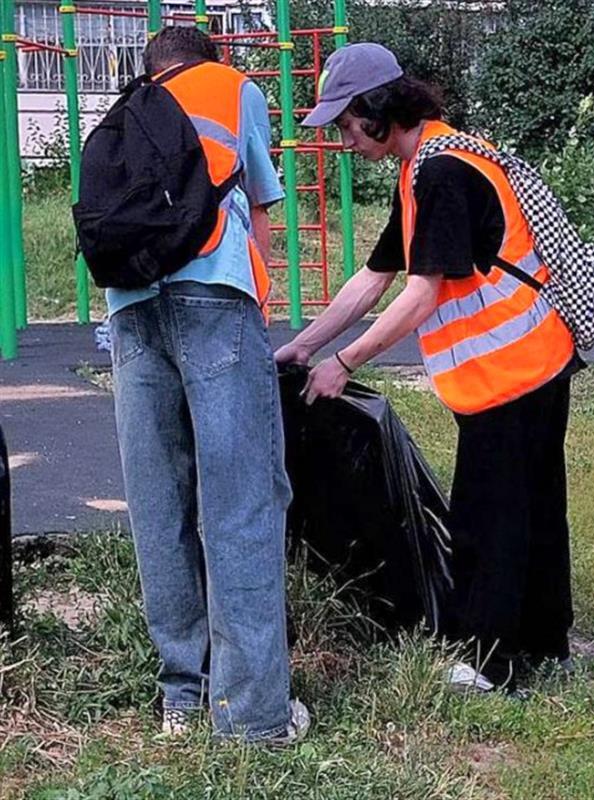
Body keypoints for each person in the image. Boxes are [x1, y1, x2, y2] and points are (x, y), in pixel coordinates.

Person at [275, 43, 581, 692]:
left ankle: (492, 664)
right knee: (532, 507)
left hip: (513, 368)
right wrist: (302, 346)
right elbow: (373, 278)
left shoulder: (442, 175)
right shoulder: (426, 167)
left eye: (346, 124)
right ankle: (545, 642)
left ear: (379, 112)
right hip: (533, 359)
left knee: (487, 516)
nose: (344, 139)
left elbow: (420, 293)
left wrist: (344, 361)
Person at [107, 27, 307, 742]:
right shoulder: (234, 90)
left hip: (130, 312)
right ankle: (252, 717)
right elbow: (256, 206)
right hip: (214, 301)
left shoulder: (124, 109)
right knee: (242, 498)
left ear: (154, 67)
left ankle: (181, 700)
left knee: (160, 503)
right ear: (208, 61)